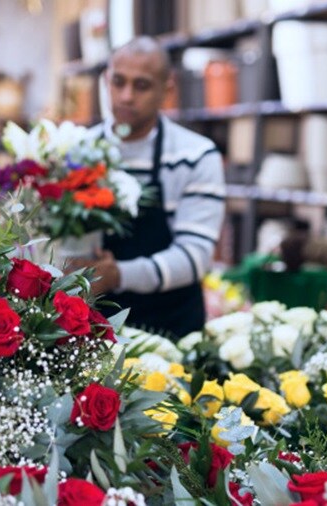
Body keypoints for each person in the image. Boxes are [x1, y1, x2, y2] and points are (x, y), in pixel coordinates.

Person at [72, 37, 226, 339]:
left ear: (166, 90)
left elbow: (195, 257)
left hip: (170, 328)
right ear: (106, 81)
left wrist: (117, 275)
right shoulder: (76, 152)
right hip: (91, 325)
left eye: (141, 86)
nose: (126, 96)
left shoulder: (195, 156)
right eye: (118, 82)